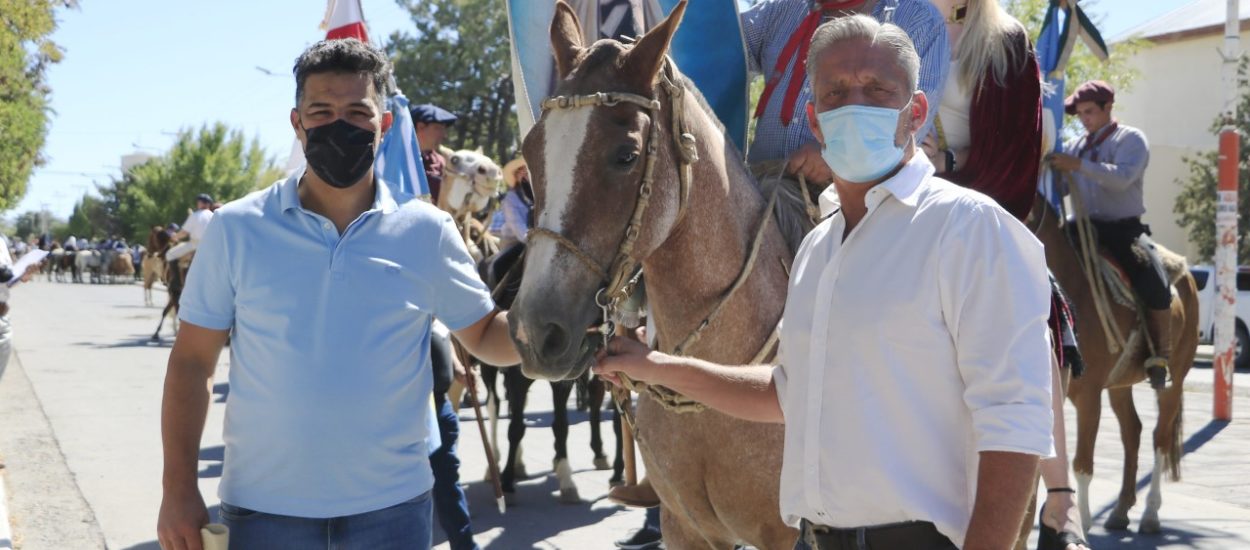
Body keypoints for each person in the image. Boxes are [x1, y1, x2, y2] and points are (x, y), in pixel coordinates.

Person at [596, 16, 1053, 550]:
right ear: (813, 118)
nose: (855, 103)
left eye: (879, 90)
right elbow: (790, 392)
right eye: (835, 92)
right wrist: (656, 367)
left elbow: (1015, 421)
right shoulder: (818, 248)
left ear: (918, 112)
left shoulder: (972, 228)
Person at [156, 38, 520, 550]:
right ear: (296, 122)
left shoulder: (428, 231)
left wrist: (567, 329)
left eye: (356, 112)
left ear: (385, 125)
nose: (339, 125)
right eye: (321, 111)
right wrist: (178, 489)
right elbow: (192, 362)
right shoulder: (236, 228)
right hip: (264, 514)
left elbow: (486, 334)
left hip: (393, 513)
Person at [920, 2, 1087, 549]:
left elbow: (1015, 156)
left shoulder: (1006, 42)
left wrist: (945, 169)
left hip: (980, 213)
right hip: (895, 208)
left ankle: (1060, 502)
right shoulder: (892, 22)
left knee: (1029, 322)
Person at [742, 0, 949, 184]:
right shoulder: (782, 9)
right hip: (761, 191)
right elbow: (720, 48)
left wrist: (834, 157)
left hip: (860, 205)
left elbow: (905, 126)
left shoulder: (920, 19)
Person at [1048, 80, 1169, 389]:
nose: (1084, 119)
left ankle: (1159, 354)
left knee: (1153, 278)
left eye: (1089, 112)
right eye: (1080, 115)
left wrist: (1078, 166)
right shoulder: (1076, 146)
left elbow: (1123, 179)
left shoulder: (1131, 139)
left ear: (1107, 107)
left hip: (1122, 230)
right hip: (1079, 228)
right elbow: (1061, 188)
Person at [412, 103, 458, 203]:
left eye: (444, 129)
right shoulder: (396, 158)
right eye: (438, 128)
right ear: (420, 127)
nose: (444, 135)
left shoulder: (442, 162)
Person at [164, 193, 215, 263]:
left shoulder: (196, 215)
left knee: (169, 255)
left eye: (199, 202)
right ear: (209, 204)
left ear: (200, 203)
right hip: (212, 246)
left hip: (195, 245)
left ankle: (176, 274)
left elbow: (184, 233)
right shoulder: (214, 216)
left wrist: (175, 236)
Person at [497, 158, 533, 249]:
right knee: (501, 263)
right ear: (516, 177)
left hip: (540, 237)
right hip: (514, 242)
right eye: (520, 171)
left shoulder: (540, 195)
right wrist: (532, 239)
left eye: (527, 170)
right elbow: (516, 224)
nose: (525, 174)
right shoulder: (510, 199)